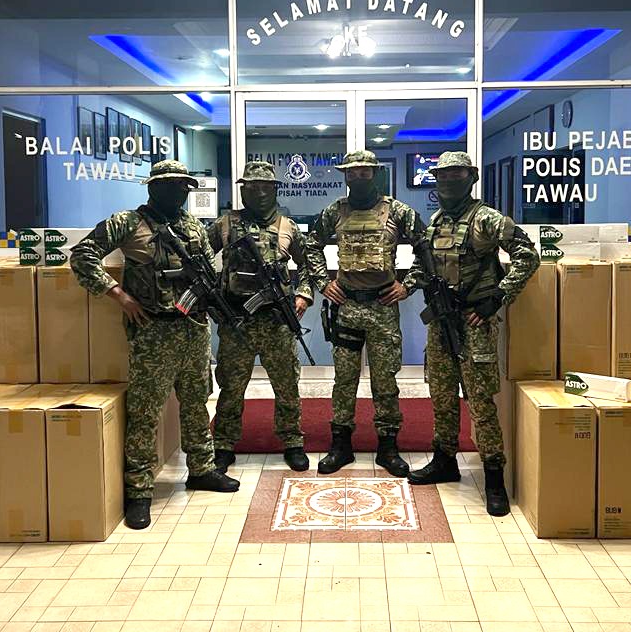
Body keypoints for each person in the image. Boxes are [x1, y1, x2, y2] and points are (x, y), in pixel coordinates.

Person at [70, 159, 239, 532]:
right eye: (173, 185)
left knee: (196, 403)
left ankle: (202, 468)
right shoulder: (128, 222)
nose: (180, 191)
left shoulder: (192, 226)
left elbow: (206, 273)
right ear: (154, 187)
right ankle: (139, 490)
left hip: (193, 328)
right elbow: (82, 255)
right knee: (145, 413)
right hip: (152, 332)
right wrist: (118, 294)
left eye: (184, 186)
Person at [405, 151, 540, 516]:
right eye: (443, 175)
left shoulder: (486, 219)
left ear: (472, 177)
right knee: (442, 395)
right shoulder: (437, 221)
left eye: (456, 175)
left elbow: (528, 256)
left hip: (474, 323)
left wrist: (497, 298)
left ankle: (494, 477)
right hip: (441, 323)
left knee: (480, 402)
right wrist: (409, 284)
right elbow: (423, 265)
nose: (448, 181)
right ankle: (444, 460)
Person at [305, 149, 426, 477]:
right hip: (347, 307)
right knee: (344, 380)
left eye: (364, 172)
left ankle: (388, 446)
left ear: (374, 174)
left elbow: (426, 248)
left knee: (385, 380)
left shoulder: (397, 210)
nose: (358, 177)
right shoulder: (335, 211)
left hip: (382, 307)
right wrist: (323, 282)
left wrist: (407, 285)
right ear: (345, 176)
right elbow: (310, 246)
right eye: (352, 172)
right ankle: (340, 444)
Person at [207, 160, 314, 473]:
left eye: (265, 187)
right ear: (243, 190)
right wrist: (213, 296)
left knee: (287, 384)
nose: (259, 193)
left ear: (275, 189)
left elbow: (309, 264)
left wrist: (303, 294)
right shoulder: (225, 224)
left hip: (276, 322)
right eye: (252, 187)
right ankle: (223, 444)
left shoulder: (287, 227)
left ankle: (292, 441)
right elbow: (200, 258)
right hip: (236, 321)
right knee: (231, 385)